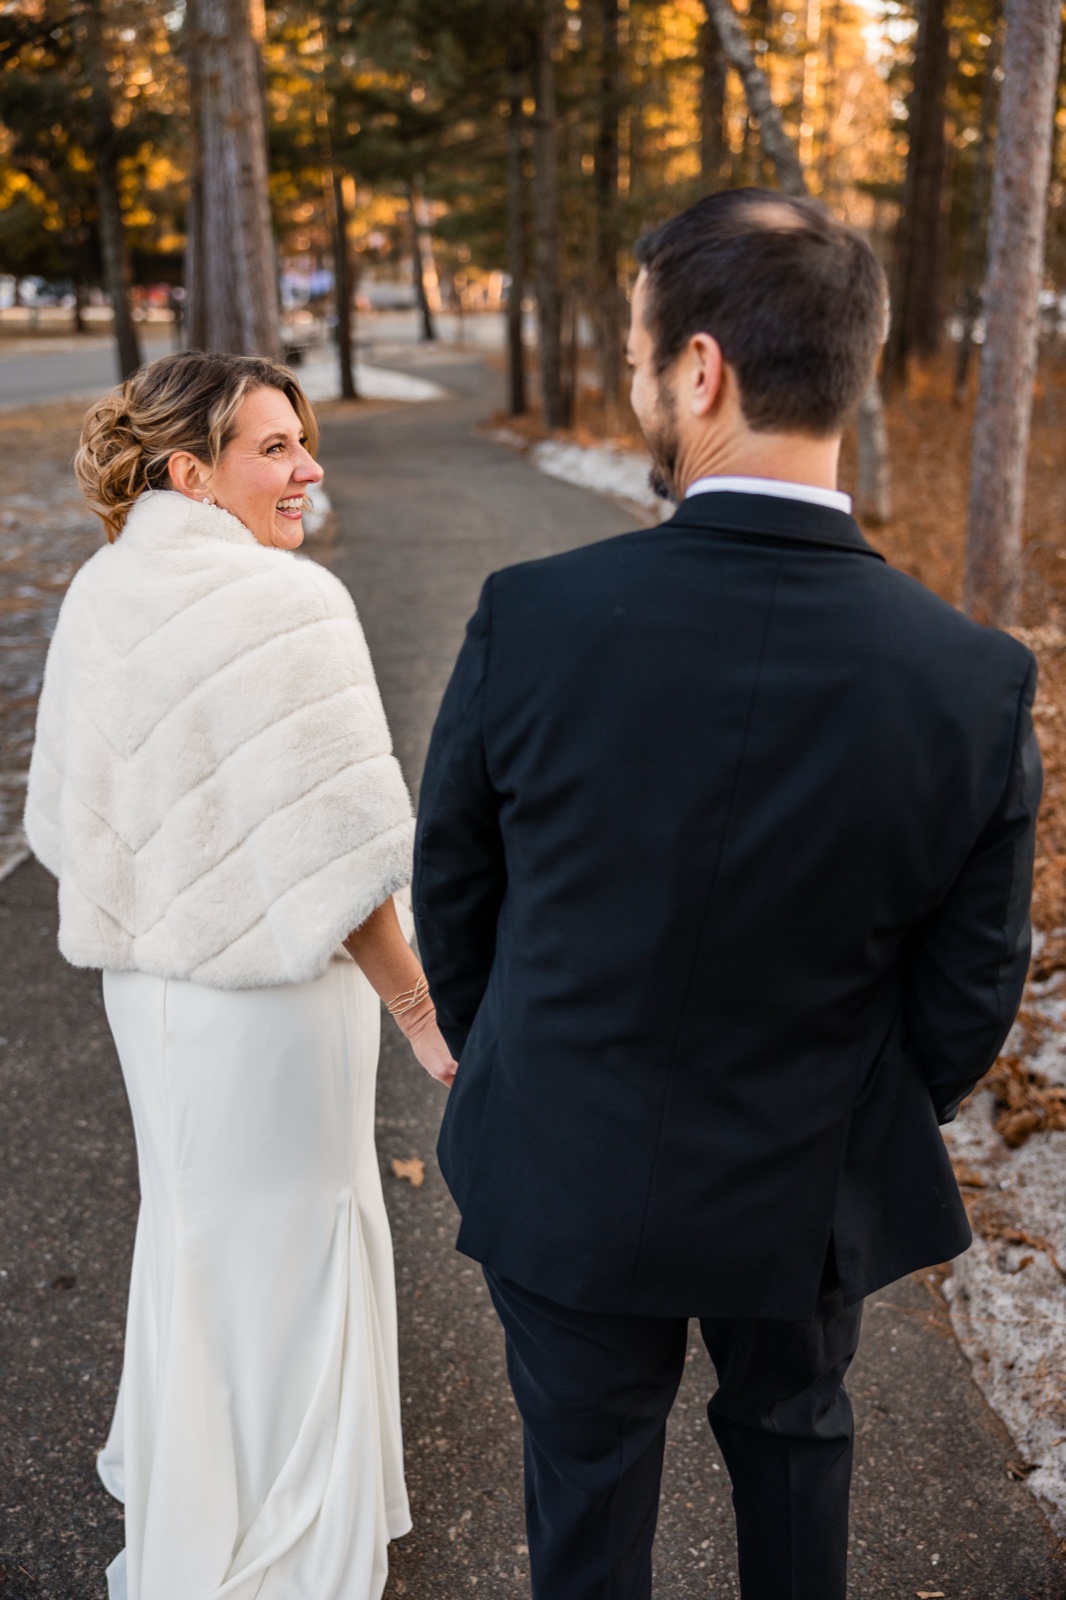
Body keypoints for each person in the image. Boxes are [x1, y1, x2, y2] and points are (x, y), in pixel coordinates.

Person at [412, 189, 1041, 1600]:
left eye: (641, 356)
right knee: (795, 1440)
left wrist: (526, 1056)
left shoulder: (535, 617)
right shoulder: (971, 678)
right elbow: (967, 985)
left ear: (700, 370)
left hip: (567, 1151)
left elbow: (455, 889)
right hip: (807, 1177)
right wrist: (843, 1105)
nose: (640, 386)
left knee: (584, 1492)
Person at [24, 350, 456, 1600]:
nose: (307, 467)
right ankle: (281, 1532)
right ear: (189, 471)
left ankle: (193, 1486)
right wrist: (422, 1013)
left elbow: (60, 823)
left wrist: (170, 895)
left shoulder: (103, 592)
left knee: (199, 1226)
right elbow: (350, 859)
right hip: (274, 1002)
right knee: (300, 1230)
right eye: (274, 447)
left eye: (303, 440)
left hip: (151, 994)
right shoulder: (291, 603)